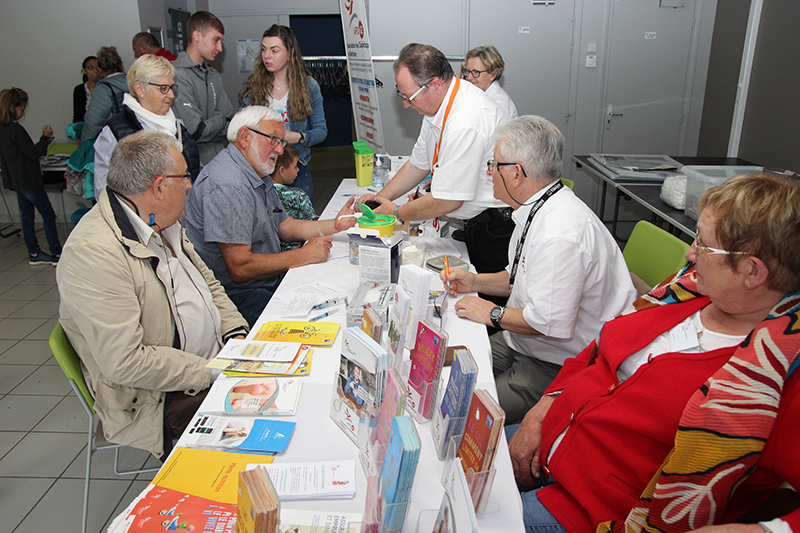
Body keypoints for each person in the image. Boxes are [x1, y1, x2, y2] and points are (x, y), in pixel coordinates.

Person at [507, 173, 800, 533]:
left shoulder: (779, 378)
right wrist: (544, 406)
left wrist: (768, 531)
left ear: (752, 271)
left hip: (588, 509)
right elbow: (597, 352)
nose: (691, 253)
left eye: (704, 246)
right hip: (550, 435)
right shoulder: (683, 292)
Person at [56, 130, 249, 459]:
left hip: (212, 365)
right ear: (159, 187)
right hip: (160, 399)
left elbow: (209, 286)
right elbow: (125, 362)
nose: (190, 184)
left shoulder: (162, 219)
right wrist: (213, 371)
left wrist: (238, 336)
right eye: (185, 176)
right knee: (277, 428)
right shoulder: (94, 254)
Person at [442, 116, 636, 424]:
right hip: (524, 343)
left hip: (560, 363)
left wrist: (490, 313)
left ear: (516, 174)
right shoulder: (537, 207)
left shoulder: (559, 233)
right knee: (446, 373)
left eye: (494, 164)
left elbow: (548, 322)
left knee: (461, 414)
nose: (490, 173)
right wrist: (474, 281)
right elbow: (518, 277)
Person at [181, 106, 356, 327]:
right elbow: (240, 267)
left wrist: (335, 224)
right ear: (245, 137)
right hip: (235, 295)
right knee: (315, 325)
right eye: (274, 140)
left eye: (281, 141)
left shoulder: (254, 170)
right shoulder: (228, 184)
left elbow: (285, 225)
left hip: (263, 281)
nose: (281, 150)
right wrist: (304, 255)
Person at [362, 43, 512, 276]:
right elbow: (418, 163)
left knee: (484, 297)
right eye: (400, 94)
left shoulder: (466, 118)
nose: (404, 103)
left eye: (408, 96)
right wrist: (382, 198)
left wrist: (397, 212)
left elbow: (448, 200)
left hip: (492, 226)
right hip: (472, 220)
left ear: (435, 84)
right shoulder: (439, 105)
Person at [238, 24, 327, 200]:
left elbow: (321, 131)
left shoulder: (308, 86)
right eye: (263, 50)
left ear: (289, 54)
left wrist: (298, 137)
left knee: (300, 223)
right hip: (261, 171)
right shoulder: (251, 87)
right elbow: (241, 132)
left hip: (295, 168)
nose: (266, 56)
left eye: (274, 50)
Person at [93, 54, 200, 199]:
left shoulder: (177, 125)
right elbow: (104, 192)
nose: (171, 95)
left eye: (171, 88)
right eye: (163, 88)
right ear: (139, 88)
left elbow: (193, 171)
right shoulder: (114, 132)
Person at [0, 87, 62, 265]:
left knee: (26, 217)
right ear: (12, 108)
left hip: (16, 181)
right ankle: (56, 253)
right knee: (48, 214)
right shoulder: (15, 130)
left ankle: (34, 253)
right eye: (21, 109)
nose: (23, 112)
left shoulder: (3, 130)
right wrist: (45, 138)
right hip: (29, 180)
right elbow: (33, 153)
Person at [171, 10, 233, 165]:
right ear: (197, 36)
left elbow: (231, 124)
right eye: (215, 40)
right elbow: (195, 131)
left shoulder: (213, 75)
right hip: (191, 165)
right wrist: (218, 117)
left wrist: (210, 125)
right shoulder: (177, 75)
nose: (219, 48)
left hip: (218, 160)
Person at [270, 144, 317, 251]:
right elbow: (314, 228)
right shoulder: (297, 196)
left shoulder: (258, 193)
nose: (298, 170)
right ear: (282, 171)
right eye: (295, 166)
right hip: (298, 255)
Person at [80, 46, 128, 144]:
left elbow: (93, 123)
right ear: (120, 65)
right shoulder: (134, 82)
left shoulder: (103, 90)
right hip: (137, 137)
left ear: (100, 69)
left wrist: (83, 146)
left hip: (114, 141)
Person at [463, 45, 518, 118]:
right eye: (467, 71)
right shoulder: (476, 92)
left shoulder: (499, 104)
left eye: (476, 72)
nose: (469, 77)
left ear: (493, 74)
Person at [73, 56, 101, 123]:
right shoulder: (79, 90)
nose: (95, 71)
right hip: (84, 127)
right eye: (90, 68)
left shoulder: (104, 88)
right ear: (84, 70)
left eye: (97, 68)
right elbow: (77, 116)